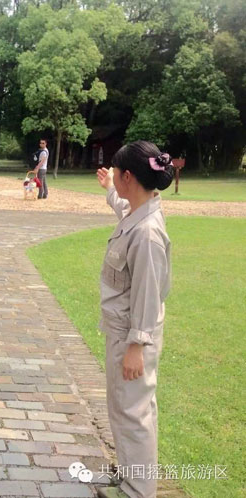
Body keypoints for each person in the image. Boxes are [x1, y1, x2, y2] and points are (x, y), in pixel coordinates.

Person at [95, 141, 174, 498]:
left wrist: (136, 347)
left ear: (128, 176)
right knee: (126, 408)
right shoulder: (139, 212)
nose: (112, 176)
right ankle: (131, 476)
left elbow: (146, 293)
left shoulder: (147, 233)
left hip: (133, 336)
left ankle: (137, 490)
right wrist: (109, 190)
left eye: (115, 173)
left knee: (134, 413)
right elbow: (124, 208)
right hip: (123, 331)